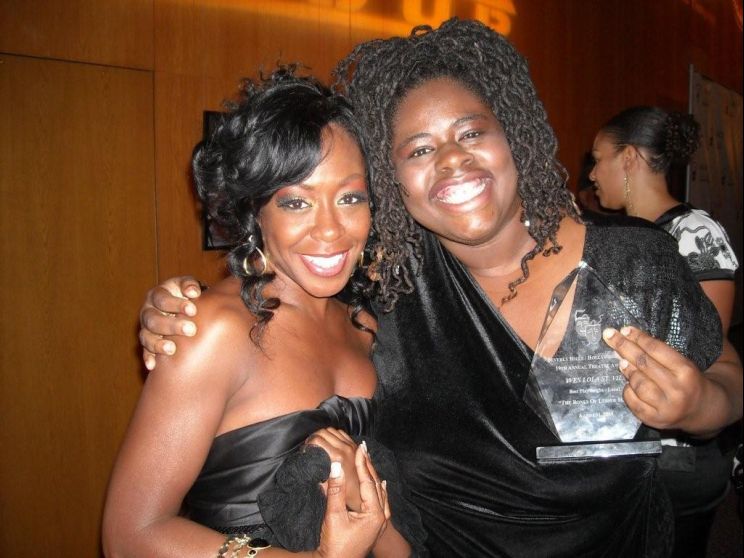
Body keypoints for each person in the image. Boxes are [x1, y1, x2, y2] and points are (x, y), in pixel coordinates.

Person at [136, 20, 743, 557]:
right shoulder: (389, 286)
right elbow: (285, 300)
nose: (451, 159)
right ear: (392, 180)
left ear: (513, 135)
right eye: (420, 149)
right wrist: (181, 308)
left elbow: (727, 375)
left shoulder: (637, 260)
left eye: (471, 133)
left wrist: (701, 405)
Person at [102, 69, 421, 558]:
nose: (330, 230)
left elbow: (383, 529)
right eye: (296, 202)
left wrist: (370, 516)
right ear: (255, 212)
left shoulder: (363, 326)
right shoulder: (214, 329)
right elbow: (131, 535)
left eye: (350, 198)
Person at [590, 105, 741, 558]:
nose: (592, 174)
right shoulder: (613, 233)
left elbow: (706, 351)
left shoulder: (693, 232)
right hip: (622, 445)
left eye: (597, 159)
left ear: (629, 158)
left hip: (677, 452)